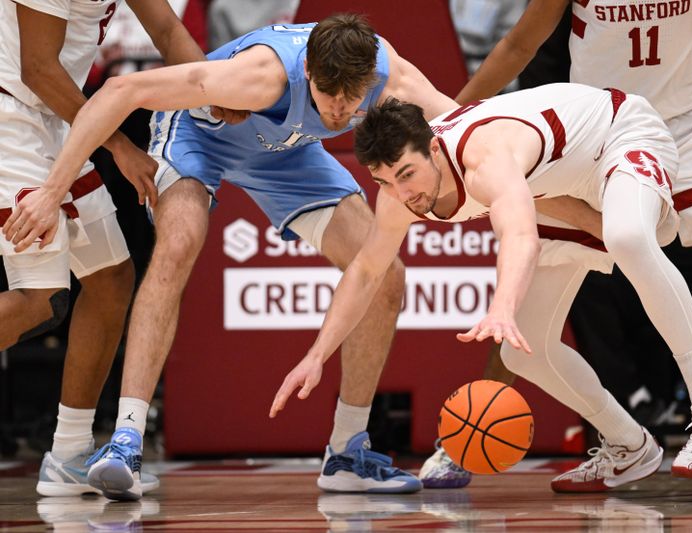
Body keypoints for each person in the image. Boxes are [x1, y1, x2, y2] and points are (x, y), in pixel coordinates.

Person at [2, 14, 457, 500]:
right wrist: (52, 192)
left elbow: (468, 128)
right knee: (177, 247)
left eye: (353, 99)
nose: (342, 112)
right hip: (203, 138)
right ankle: (126, 442)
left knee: (387, 275)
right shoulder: (259, 75)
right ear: (308, 71)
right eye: (330, 98)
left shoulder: (389, 74)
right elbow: (119, 91)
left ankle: (347, 452)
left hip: (285, 153)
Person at [271, 86, 692, 491]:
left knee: (626, 237)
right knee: (525, 352)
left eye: (407, 175)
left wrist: (501, 307)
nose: (401, 194)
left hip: (620, 136)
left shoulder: (483, 157)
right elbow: (365, 272)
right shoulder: (400, 196)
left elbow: (521, 235)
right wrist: (317, 354)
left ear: (434, 148)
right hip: (562, 193)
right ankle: (627, 444)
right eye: (384, 182)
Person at [440, 0, 692, 479]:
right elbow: (518, 44)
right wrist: (451, 118)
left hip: (688, 129)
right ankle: (617, 441)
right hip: (599, 135)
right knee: (530, 322)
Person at [0, 0, 242, 498]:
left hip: (57, 119)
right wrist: (118, 145)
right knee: (40, 299)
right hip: (11, 113)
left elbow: (166, 28)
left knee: (112, 278)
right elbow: (38, 68)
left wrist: (214, 96)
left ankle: (67, 454)